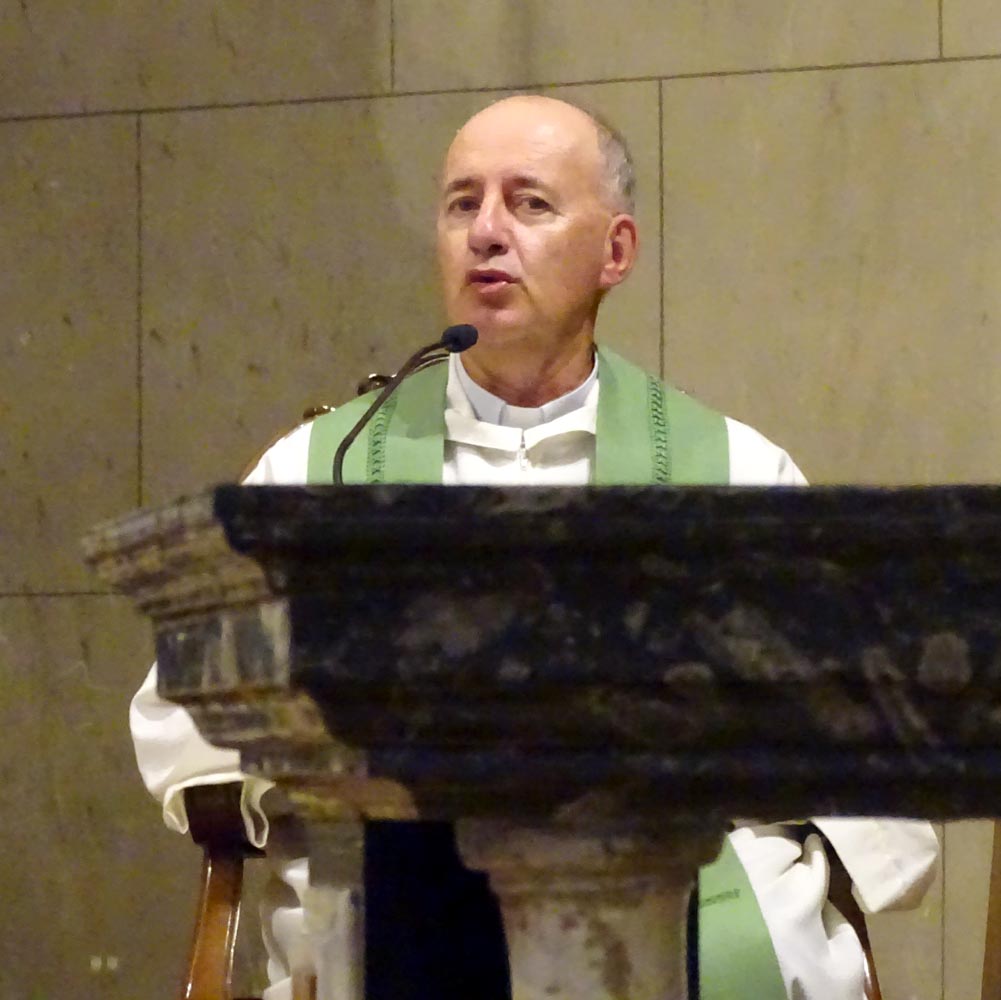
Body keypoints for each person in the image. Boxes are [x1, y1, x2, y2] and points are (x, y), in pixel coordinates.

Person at [131, 95, 938, 1000]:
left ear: (615, 252)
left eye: (529, 203)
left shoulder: (733, 475)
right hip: (400, 898)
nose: (486, 231)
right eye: (461, 203)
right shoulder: (324, 469)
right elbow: (187, 713)